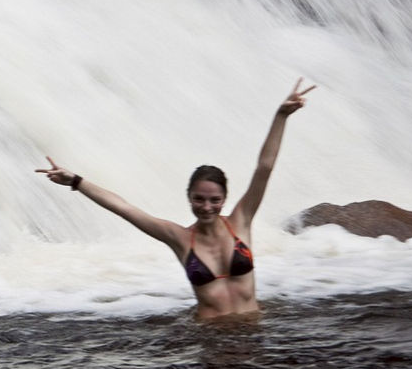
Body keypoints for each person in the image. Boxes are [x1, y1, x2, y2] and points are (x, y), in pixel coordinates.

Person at [35, 79, 315, 319]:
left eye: (214, 200)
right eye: (199, 199)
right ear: (189, 199)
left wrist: (281, 116)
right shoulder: (179, 238)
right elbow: (123, 208)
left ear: (225, 199)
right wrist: (76, 182)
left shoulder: (240, 222)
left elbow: (264, 168)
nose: (207, 207)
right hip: (211, 337)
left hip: (252, 330)